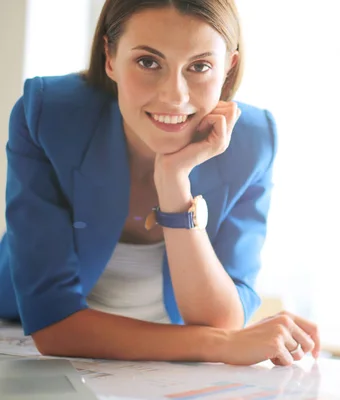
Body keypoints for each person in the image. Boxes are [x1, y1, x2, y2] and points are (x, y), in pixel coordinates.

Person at [0, 0, 319, 366]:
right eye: (148, 62)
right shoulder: (48, 114)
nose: (174, 95)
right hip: (16, 337)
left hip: (162, 368)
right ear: (110, 57)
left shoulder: (253, 140)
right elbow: (53, 324)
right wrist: (216, 345)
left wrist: (173, 181)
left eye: (199, 66)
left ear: (228, 67)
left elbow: (223, 320)